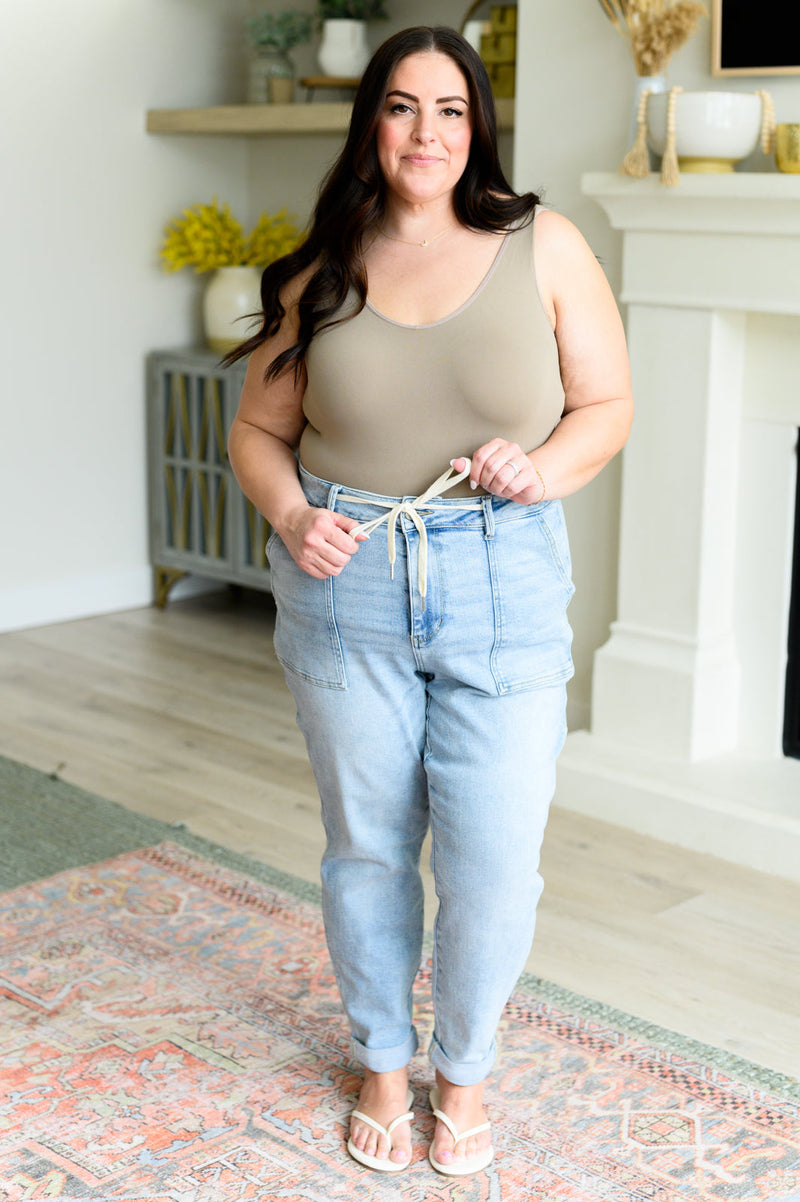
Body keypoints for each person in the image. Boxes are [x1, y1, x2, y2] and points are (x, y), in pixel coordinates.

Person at [225, 25, 632, 1178]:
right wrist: (293, 516)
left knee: (494, 857)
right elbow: (256, 430)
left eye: (449, 109)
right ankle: (381, 1061)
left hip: (500, 576)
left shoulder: (544, 245)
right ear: (371, 126)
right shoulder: (320, 271)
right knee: (366, 844)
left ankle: (462, 1074)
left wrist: (536, 469)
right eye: (401, 107)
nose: (425, 132)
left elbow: (605, 405)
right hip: (344, 579)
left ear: (477, 128)